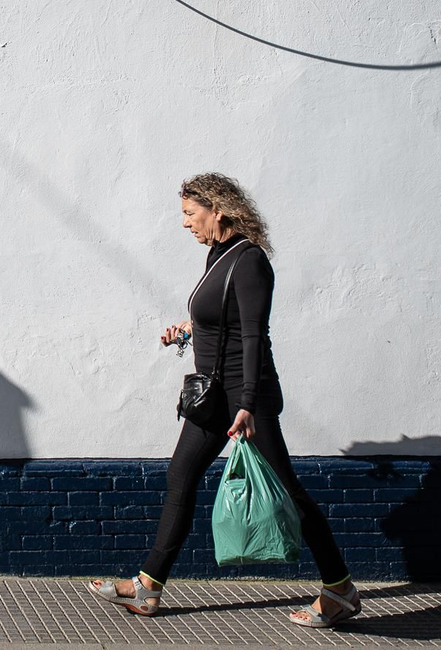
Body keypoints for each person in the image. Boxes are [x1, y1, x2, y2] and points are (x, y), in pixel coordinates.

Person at [88, 173, 360, 629]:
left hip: (245, 396)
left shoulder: (249, 260)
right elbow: (223, 319)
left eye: (190, 213)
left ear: (218, 210)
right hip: (214, 395)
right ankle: (149, 586)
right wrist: (188, 330)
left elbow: (254, 335)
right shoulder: (218, 255)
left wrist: (248, 404)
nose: (185, 223)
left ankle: (340, 590)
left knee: (288, 491)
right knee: (180, 475)